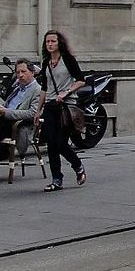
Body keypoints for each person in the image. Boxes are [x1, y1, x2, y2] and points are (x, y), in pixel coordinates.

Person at [39, 30, 88, 192]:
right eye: (47, 42)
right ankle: (56, 179)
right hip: (50, 106)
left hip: (65, 106)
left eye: (53, 41)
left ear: (59, 43)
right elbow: (44, 88)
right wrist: (38, 110)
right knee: (51, 145)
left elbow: (81, 80)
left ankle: (77, 165)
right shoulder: (46, 62)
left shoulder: (67, 59)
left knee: (60, 142)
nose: (50, 44)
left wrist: (66, 92)